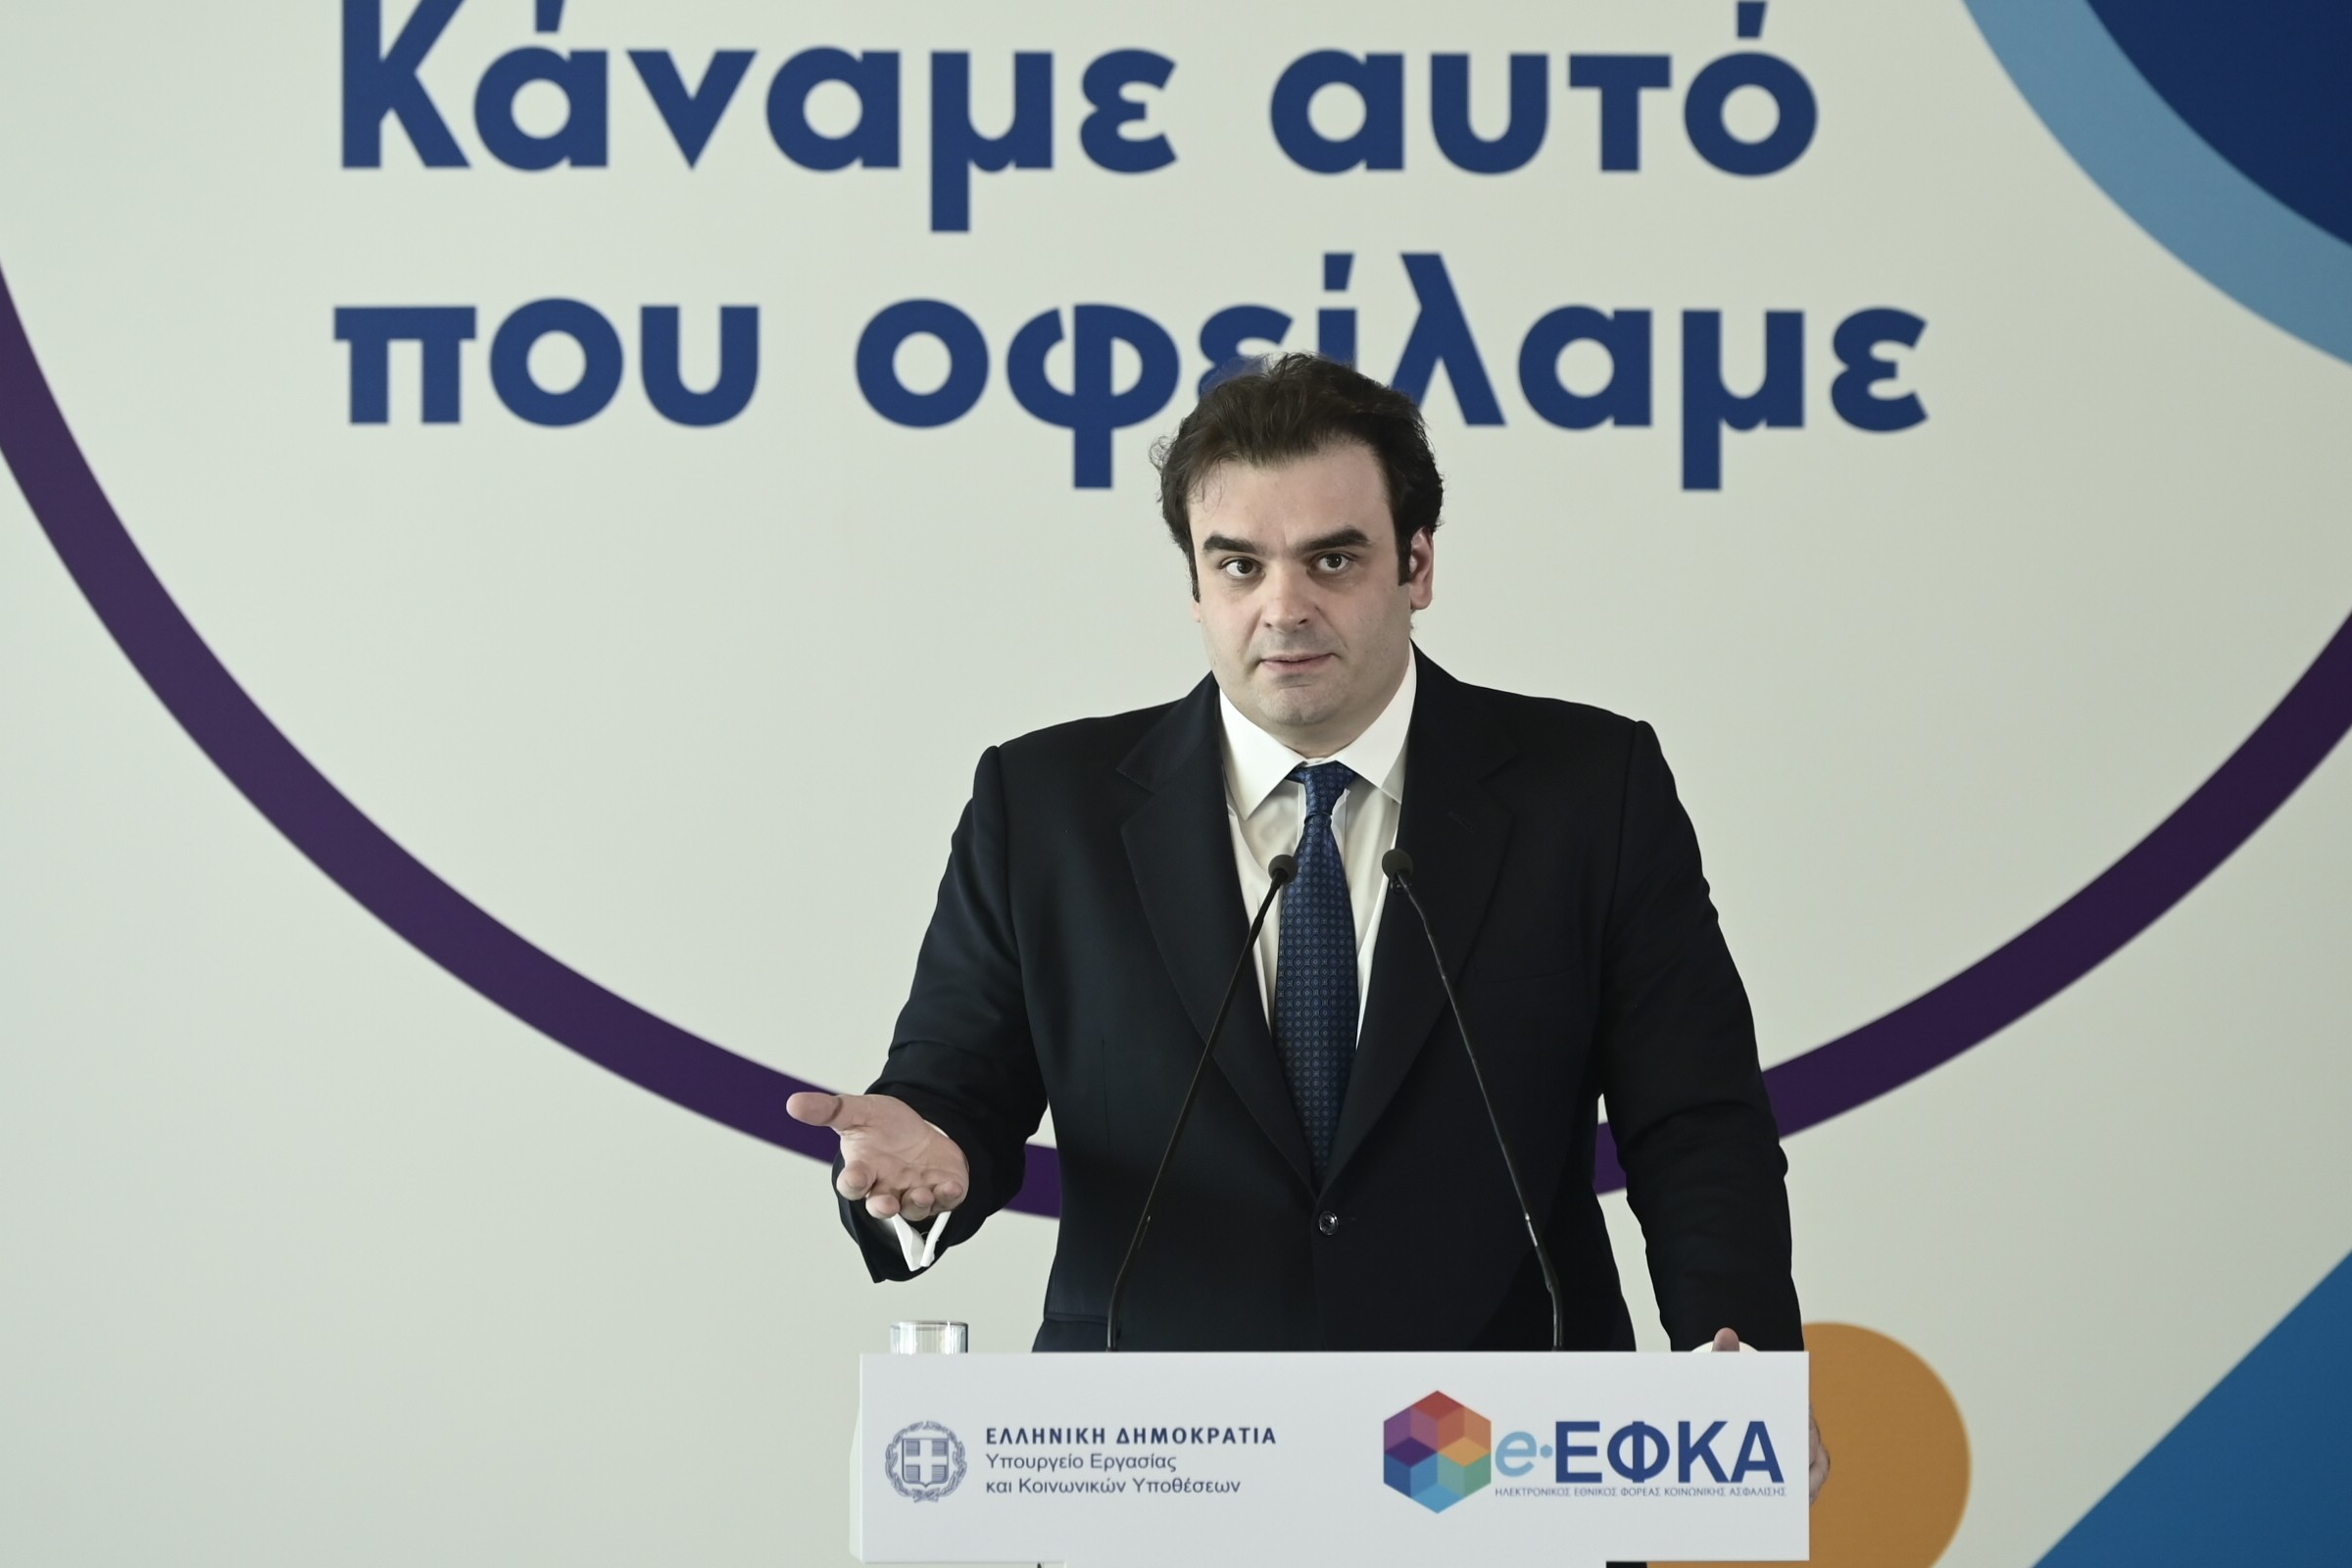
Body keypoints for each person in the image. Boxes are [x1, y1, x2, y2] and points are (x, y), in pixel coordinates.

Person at [789, 354, 1825, 1497]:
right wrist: (929, 1165)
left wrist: (1737, 1355)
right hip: (1154, 1475)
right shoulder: (1044, 808)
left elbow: (1695, 1119)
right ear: (1196, 584)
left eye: (1333, 559)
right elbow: (955, 1094)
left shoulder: (1588, 790)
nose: (1282, 608)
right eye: (1239, 564)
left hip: (1501, 1465)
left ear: (1418, 565)